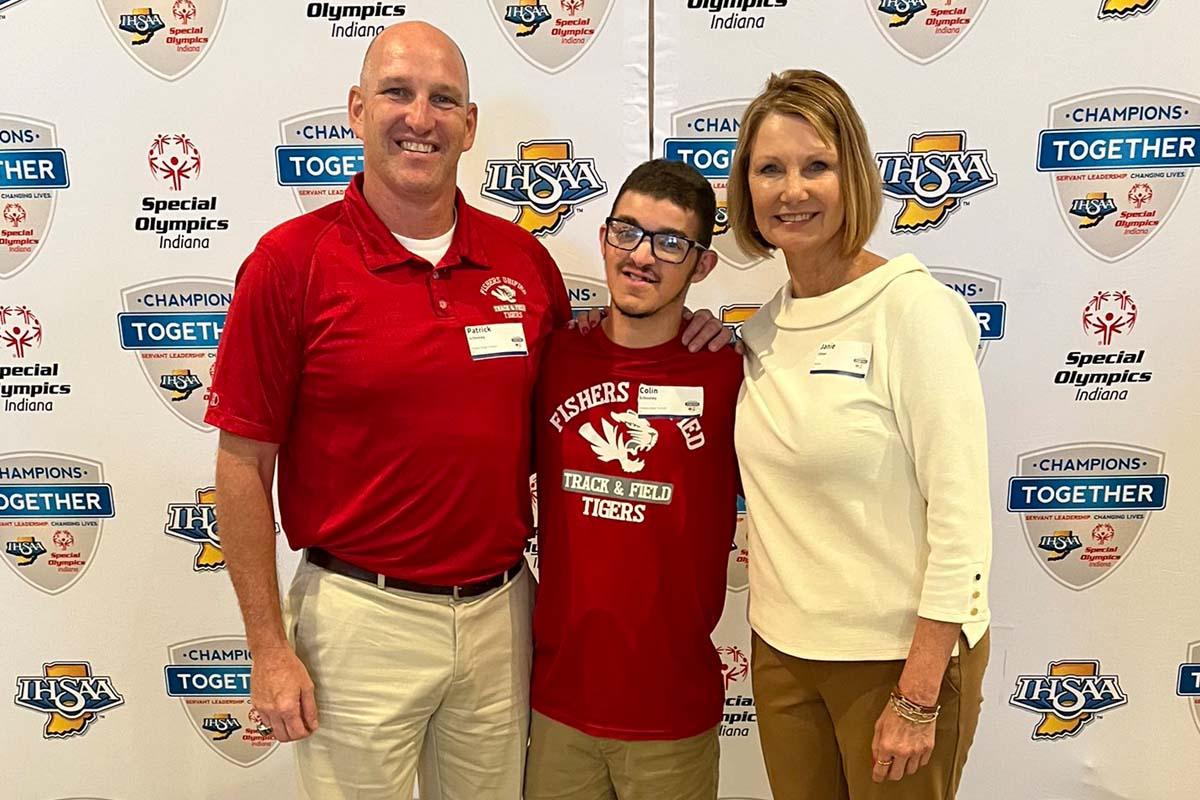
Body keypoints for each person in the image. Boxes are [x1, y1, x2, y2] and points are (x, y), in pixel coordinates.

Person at [205, 22, 729, 800]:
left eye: (443, 98)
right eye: (397, 92)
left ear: (471, 124)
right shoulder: (291, 263)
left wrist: (696, 336)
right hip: (359, 618)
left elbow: (600, 371)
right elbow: (242, 465)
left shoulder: (523, 262)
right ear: (356, 110)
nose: (421, 116)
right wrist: (266, 649)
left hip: (498, 615)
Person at [728, 70, 992, 799]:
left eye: (817, 166)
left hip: (898, 663)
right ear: (745, 187)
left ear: (854, 176)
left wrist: (917, 693)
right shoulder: (765, 326)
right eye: (770, 169)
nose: (793, 190)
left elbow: (963, 521)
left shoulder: (912, 311)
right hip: (782, 656)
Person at [523, 159, 742, 800]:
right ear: (604, 237)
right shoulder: (554, 358)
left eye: (671, 243)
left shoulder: (730, 373)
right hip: (560, 701)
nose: (642, 256)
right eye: (627, 232)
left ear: (702, 266)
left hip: (671, 711)